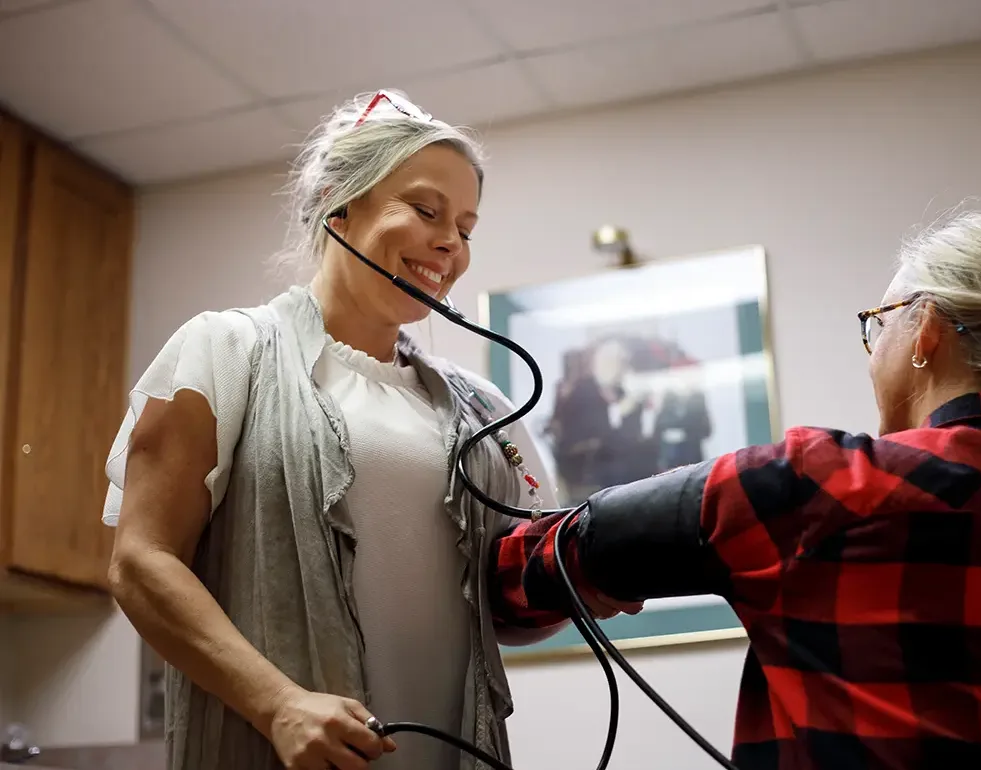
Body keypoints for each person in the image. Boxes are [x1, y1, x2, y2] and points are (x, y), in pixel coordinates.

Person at [503, 211, 981, 769]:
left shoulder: (822, 485)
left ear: (927, 331)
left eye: (877, 323)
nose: (873, 349)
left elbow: (529, 572)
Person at [102, 89, 631, 770]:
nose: (451, 244)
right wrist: (277, 703)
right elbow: (141, 563)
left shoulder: (484, 411)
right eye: (425, 209)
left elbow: (501, 610)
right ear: (337, 202)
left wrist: (581, 581)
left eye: (467, 228)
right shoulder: (226, 351)